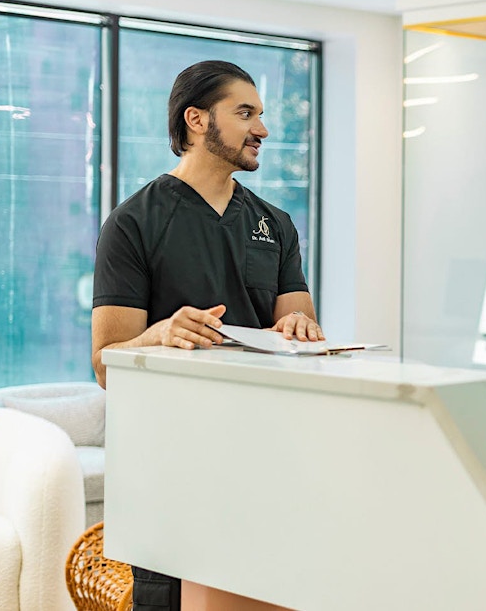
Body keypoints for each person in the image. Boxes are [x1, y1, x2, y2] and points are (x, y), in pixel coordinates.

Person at [91, 60, 323, 609]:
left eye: (261, 114)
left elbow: (304, 326)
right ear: (196, 120)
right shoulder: (134, 223)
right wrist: (159, 334)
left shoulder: (275, 222)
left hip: (262, 451)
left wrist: (299, 328)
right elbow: (105, 364)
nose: (262, 129)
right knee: (171, 594)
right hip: (169, 458)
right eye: (245, 113)